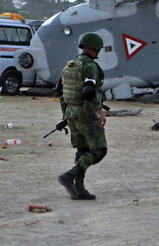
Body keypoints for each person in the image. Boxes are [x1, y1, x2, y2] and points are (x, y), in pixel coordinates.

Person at [57, 32, 107, 200]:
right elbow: (88, 91)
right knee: (99, 150)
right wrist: (99, 111)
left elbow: (61, 91)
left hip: (71, 112)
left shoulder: (70, 65)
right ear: (95, 49)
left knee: (82, 149)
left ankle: (79, 188)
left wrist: (66, 114)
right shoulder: (90, 66)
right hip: (85, 113)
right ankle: (69, 176)